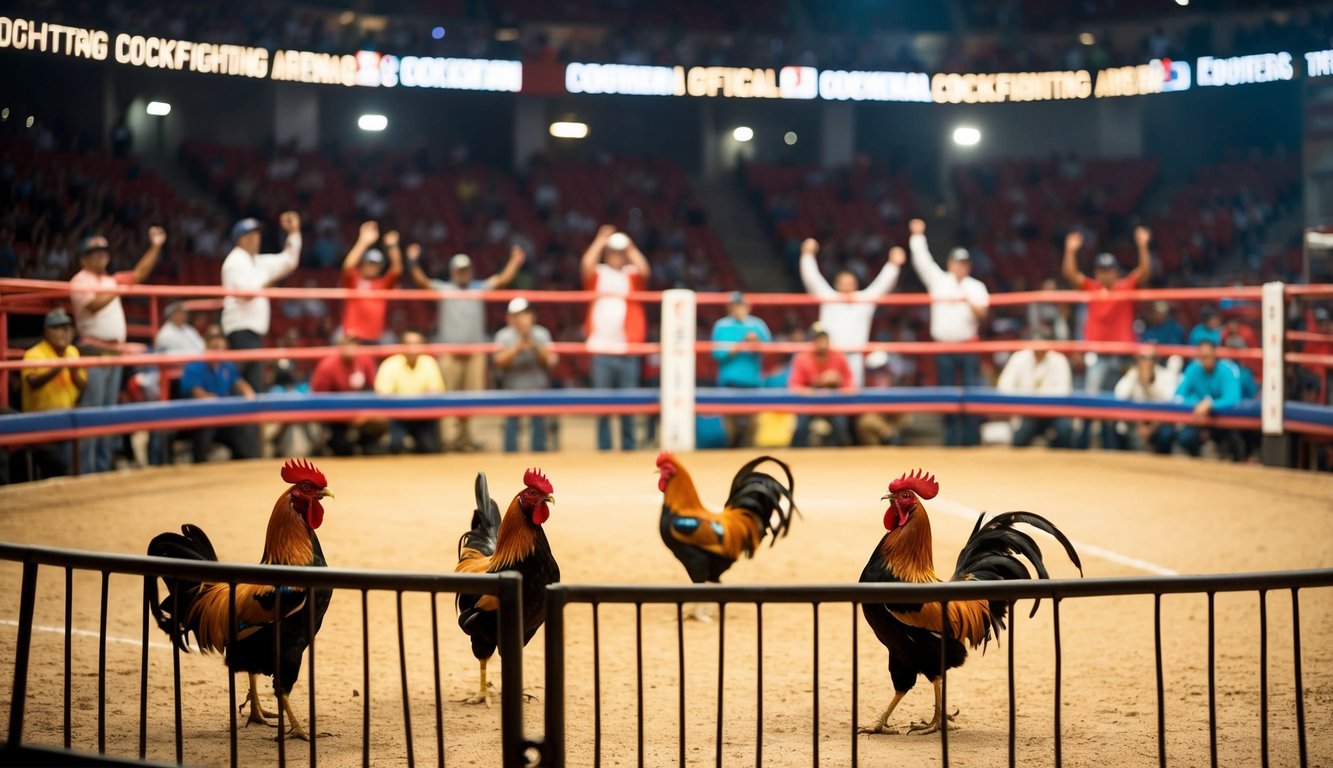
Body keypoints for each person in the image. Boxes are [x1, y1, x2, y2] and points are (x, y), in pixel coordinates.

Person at [405, 241, 525, 451]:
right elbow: (421, 282)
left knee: (472, 398)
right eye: (460, 270)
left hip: (474, 352)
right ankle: (450, 440)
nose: (464, 273)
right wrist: (413, 261)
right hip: (450, 352)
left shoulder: (478, 288)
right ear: (453, 272)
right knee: (448, 397)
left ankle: (466, 439)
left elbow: (502, 280)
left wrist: (514, 261)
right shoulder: (445, 289)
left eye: (467, 269)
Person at [70, 226, 166, 473]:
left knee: (107, 411)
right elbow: (93, 306)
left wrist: (155, 245)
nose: (101, 255)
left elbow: (139, 273)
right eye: (95, 252)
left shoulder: (110, 281)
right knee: (93, 410)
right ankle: (86, 470)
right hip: (92, 349)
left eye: (103, 251)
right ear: (84, 258)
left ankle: (102, 467)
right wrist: (117, 288)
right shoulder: (80, 280)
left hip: (113, 352)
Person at [1063, 226, 1151, 448]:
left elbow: (1144, 272)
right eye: (1101, 270)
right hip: (1100, 355)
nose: (1105, 274)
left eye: (1109, 270)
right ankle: (1083, 445)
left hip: (1122, 356)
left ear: (1116, 272)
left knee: (1120, 402)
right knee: (1092, 401)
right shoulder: (1092, 288)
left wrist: (1142, 246)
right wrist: (1070, 250)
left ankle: (1119, 446)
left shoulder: (1125, 287)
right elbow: (1071, 275)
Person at [907, 218, 989, 446]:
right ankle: (951, 441)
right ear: (950, 263)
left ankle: (972, 440)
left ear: (968, 266)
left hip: (968, 345)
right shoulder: (939, 281)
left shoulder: (976, 287)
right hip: (944, 346)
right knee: (947, 394)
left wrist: (968, 299)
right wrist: (917, 236)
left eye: (964, 263)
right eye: (957, 262)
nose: (961, 266)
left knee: (972, 394)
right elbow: (922, 261)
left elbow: (982, 316)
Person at [798, 238, 906, 386]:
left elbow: (883, 284)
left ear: (856, 285)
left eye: (850, 284)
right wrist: (807, 255)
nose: (847, 287)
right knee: (827, 390)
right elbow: (812, 279)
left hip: (855, 354)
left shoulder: (864, 300)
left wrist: (893, 265)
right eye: (843, 284)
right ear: (837, 285)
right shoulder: (829, 297)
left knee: (853, 393)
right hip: (830, 354)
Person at [581, 226, 651, 451]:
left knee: (628, 405)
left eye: (619, 252)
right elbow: (585, 266)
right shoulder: (599, 273)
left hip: (626, 348)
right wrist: (600, 240)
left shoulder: (631, 274)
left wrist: (630, 248)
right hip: (601, 348)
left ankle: (629, 447)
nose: (616, 255)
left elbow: (645, 270)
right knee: (602, 406)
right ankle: (604, 448)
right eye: (613, 251)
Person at [220, 211, 303, 392]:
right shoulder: (234, 262)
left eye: (257, 234)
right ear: (239, 239)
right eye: (249, 235)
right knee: (243, 384)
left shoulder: (257, 262)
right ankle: (236, 419)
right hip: (240, 330)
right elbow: (247, 293)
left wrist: (294, 233)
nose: (255, 239)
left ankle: (248, 419)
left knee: (253, 384)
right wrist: (269, 282)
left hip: (253, 332)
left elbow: (289, 261)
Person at [19, 309, 86, 477]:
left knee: (76, 462)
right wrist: (58, 368)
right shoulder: (33, 354)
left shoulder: (72, 351)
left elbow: (83, 385)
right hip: (40, 420)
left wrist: (74, 371)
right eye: (58, 328)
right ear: (46, 331)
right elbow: (33, 382)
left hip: (68, 417)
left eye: (68, 328)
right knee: (58, 466)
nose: (64, 332)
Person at [179, 326, 259, 463]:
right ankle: (199, 467)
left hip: (223, 416)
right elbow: (198, 394)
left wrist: (249, 394)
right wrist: (223, 403)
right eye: (213, 345)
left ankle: (245, 466)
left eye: (220, 345)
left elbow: (240, 383)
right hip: (199, 418)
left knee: (244, 428)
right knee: (206, 429)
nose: (217, 350)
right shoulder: (194, 366)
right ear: (206, 345)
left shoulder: (227, 365)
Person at [493, 297, 559, 453]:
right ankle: (510, 457)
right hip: (512, 390)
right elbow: (498, 362)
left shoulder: (541, 334)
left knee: (539, 434)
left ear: (532, 316)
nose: (521, 319)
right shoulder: (503, 335)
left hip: (538, 390)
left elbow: (551, 362)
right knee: (511, 432)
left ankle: (538, 457)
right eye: (517, 315)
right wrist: (516, 349)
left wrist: (535, 347)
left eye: (524, 314)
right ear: (510, 318)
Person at [710, 291, 772, 448]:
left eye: (741, 305)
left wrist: (756, 342)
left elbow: (770, 350)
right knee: (731, 425)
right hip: (729, 381)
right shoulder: (722, 325)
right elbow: (717, 354)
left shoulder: (757, 325)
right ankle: (731, 451)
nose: (738, 309)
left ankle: (750, 451)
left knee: (753, 423)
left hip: (752, 381)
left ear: (747, 306)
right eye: (735, 305)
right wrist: (737, 347)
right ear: (729, 308)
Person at [995, 332, 1074, 448]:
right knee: (1019, 441)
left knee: (1065, 431)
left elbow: (1064, 391)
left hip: (1054, 412)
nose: (1038, 351)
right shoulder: (1019, 358)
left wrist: (1036, 397)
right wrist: (1027, 399)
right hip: (1027, 412)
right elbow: (1004, 386)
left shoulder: (1059, 360)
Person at [309, 336, 386, 455]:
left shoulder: (365, 361)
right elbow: (319, 398)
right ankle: (333, 443)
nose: (349, 347)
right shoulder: (327, 365)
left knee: (377, 432)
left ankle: (364, 442)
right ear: (339, 345)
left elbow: (373, 390)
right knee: (344, 450)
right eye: (346, 343)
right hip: (335, 414)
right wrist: (346, 416)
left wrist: (365, 414)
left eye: (352, 343)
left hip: (362, 412)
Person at [374, 330, 445, 454]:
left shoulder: (429, 363)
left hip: (423, 417)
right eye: (409, 343)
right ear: (402, 345)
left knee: (430, 449)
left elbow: (436, 393)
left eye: (417, 343)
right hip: (397, 417)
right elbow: (384, 395)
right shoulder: (390, 364)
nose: (413, 348)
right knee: (396, 447)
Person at [1173, 340, 1244, 458]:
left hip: (1223, 421)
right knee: (1184, 438)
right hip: (1198, 419)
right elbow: (1178, 395)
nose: (1204, 360)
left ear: (1215, 355)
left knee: (1235, 438)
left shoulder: (1226, 370)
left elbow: (1234, 399)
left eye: (1208, 356)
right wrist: (1197, 404)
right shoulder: (1193, 369)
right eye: (1202, 357)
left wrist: (1210, 405)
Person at [789, 324, 855, 447]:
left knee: (840, 426)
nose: (822, 342)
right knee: (801, 427)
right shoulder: (802, 358)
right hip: (809, 403)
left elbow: (850, 384)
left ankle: (843, 458)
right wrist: (818, 384)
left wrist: (837, 382)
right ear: (812, 341)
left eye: (824, 339)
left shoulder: (838, 356)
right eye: (818, 339)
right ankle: (797, 457)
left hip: (833, 402)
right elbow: (794, 386)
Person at [341, 221, 403, 344]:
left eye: (376, 265)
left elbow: (397, 269)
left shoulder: (382, 284)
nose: (372, 267)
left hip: (376, 337)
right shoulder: (354, 279)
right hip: (353, 336)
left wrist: (393, 246)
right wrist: (363, 242)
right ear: (363, 264)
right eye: (369, 263)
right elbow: (347, 266)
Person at [1113, 348, 1180, 454]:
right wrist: (1135, 377)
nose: (1147, 363)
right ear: (1137, 361)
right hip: (1136, 422)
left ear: (1156, 361)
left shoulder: (1165, 375)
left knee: (1167, 433)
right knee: (1119, 427)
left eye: (1150, 359)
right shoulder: (1133, 374)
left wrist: (1149, 385)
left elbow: (1170, 401)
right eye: (1143, 359)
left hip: (1159, 422)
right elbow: (1119, 395)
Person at [855, 351, 909, 446]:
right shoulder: (864, 380)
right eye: (876, 369)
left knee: (905, 416)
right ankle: (877, 452)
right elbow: (864, 405)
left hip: (892, 413)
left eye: (882, 368)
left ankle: (893, 437)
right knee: (865, 423)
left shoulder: (894, 377)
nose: (879, 372)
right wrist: (883, 428)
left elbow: (901, 401)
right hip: (874, 413)